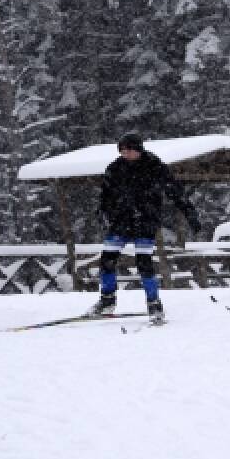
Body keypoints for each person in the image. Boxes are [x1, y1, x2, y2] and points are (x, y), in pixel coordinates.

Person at [89, 133, 201, 323]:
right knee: (107, 259)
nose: (126, 154)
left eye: (130, 150)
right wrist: (102, 212)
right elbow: (105, 194)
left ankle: (153, 302)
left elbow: (174, 191)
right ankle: (107, 299)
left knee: (144, 262)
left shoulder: (155, 166)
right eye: (123, 150)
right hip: (120, 220)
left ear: (139, 149)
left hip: (145, 220)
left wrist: (190, 213)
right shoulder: (115, 168)